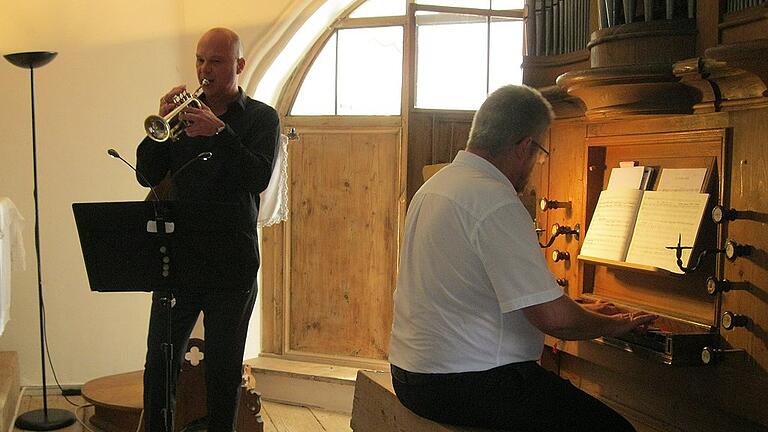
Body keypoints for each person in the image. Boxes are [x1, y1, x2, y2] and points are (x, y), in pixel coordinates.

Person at [388, 84, 657, 432]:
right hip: (465, 383)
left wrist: (580, 311)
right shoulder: (494, 199)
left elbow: (478, 293)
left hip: (413, 376)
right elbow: (554, 320)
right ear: (524, 146)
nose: (536, 164)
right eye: (540, 153)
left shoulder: (437, 186)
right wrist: (614, 324)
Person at [136, 28, 279, 432]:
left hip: (232, 263)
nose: (205, 69)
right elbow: (147, 175)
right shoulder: (182, 116)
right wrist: (159, 124)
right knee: (159, 361)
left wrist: (220, 133)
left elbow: (257, 176)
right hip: (177, 260)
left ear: (239, 66)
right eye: (200, 60)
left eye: (215, 61)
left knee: (223, 367)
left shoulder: (261, 118)